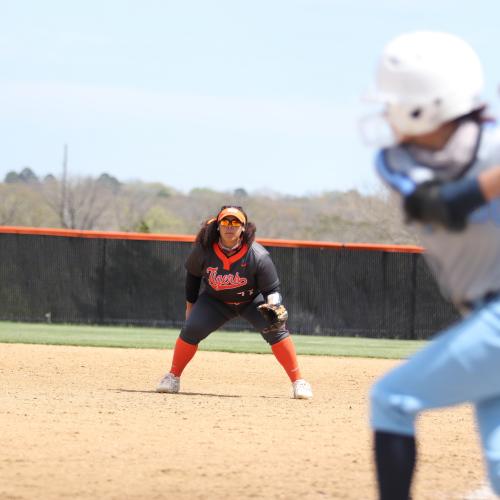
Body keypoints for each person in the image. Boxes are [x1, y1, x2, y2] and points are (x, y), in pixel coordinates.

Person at [364, 31, 500, 499]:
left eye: (395, 102)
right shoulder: (396, 159)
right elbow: (436, 206)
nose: (387, 113)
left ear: (427, 104)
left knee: (392, 400)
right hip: (482, 317)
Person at [156, 205, 313, 399]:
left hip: (250, 300)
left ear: (243, 228)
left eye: (235, 222)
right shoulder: (204, 250)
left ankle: (299, 381)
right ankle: (173, 377)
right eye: (225, 222)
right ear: (218, 226)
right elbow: (193, 278)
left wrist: (274, 305)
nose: (230, 226)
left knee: (276, 330)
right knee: (191, 328)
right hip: (215, 300)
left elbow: (272, 290)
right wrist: (190, 308)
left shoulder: (258, 255)